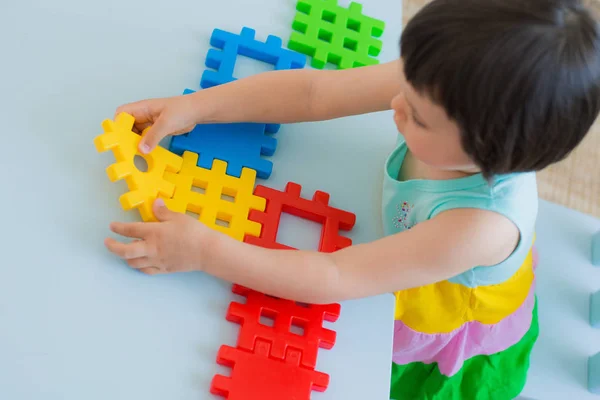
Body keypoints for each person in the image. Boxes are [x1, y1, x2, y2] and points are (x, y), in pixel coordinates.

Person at [103, 0, 600, 398]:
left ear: (489, 154)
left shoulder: (478, 226)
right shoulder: (443, 85)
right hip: (413, 241)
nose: (394, 102)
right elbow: (317, 91)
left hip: (438, 308)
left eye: (419, 119)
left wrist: (205, 251)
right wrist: (198, 107)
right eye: (406, 86)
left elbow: (335, 275)